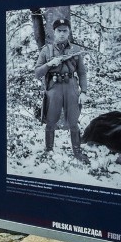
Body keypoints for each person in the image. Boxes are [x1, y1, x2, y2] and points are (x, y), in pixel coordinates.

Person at [34, 18, 89, 163]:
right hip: (54, 88)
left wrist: (83, 92)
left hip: (71, 87)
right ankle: (49, 151)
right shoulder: (47, 50)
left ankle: (77, 153)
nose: (62, 34)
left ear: (69, 32)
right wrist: (49, 64)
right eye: (59, 31)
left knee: (73, 121)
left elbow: (82, 73)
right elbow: (37, 72)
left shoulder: (76, 50)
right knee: (50, 121)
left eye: (65, 31)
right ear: (54, 32)